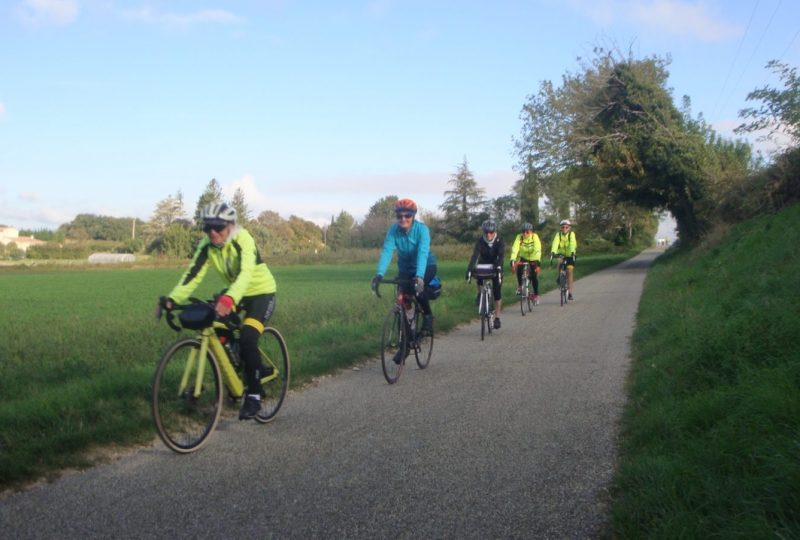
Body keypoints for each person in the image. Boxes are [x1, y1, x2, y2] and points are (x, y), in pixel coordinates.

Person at [158, 202, 278, 420]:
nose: (212, 232)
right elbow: (192, 275)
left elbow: (246, 274)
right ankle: (240, 373)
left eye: (218, 227)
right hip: (234, 292)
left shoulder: (244, 239)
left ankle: (254, 395)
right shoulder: (207, 245)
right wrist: (172, 299)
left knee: (249, 338)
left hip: (261, 293)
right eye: (207, 228)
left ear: (230, 226)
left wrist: (229, 298)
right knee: (220, 327)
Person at [370, 198, 441, 362]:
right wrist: (379, 273)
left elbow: (423, 253)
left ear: (413, 216)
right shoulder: (393, 231)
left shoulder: (422, 230)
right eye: (399, 216)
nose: (403, 219)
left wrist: (420, 277)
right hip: (405, 269)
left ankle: (428, 317)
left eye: (407, 215)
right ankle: (407, 342)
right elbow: (387, 251)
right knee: (404, 301)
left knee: (419, 292)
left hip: (426, 266)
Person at [467, 219, 505, 329]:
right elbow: (475, 255)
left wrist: (498, 266)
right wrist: (469, 268)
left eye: (491, 232)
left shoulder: (499, 240)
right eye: (486, 232)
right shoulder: (480, 240)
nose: (488, 234)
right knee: (478, 276)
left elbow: (501, 255)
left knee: (497, 291)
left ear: (494, 232)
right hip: (484, 263)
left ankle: (497, 318)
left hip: (496, 264)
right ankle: (480, 294)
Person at [509, 222, 541, 305]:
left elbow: (538, 249)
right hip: (524, 257)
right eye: (523, 232)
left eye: (527, 232)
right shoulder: (519, 237)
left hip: (534, 258)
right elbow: (515, 248)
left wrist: (537, 262)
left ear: (531, 232)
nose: (525, 234)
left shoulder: (535, 237)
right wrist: (512, 259)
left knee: (534, 277)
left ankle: (536, 295)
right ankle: (520, 286)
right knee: (519, 269)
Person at [551, 219, 578, 301]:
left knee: (569, 271)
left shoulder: (571, 234)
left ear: (569, 228)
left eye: (566, 227)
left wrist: (573, 252)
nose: (564, 229)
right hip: (561, 254)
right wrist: (553, 252)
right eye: (563, 227)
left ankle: (570, 293)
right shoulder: (558, 235)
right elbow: (555, 243)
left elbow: (573, 243)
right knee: (560, 262)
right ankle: (559, 277)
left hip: (570, 254)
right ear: (561, 228)